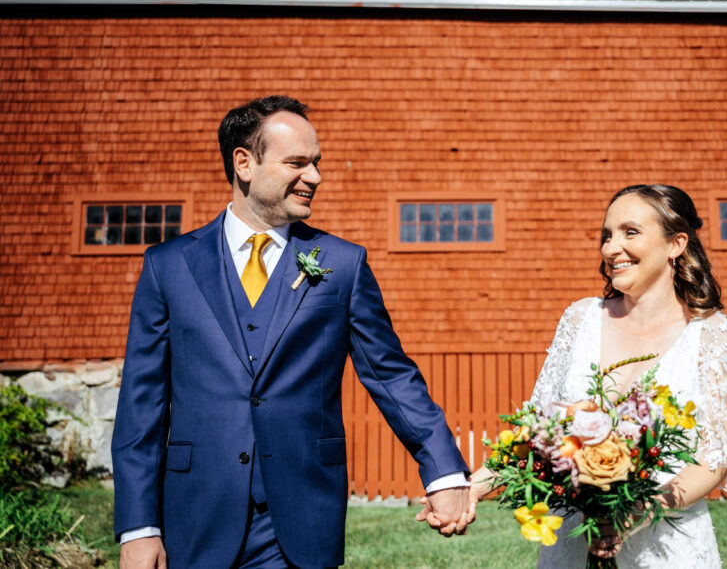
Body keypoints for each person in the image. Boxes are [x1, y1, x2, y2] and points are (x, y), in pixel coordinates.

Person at [112, 96, 473, 569]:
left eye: (317, 163)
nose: (316, 177)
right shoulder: (168, 266)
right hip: (194, 519)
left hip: (300, 522)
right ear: (244, 162)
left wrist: (443, 471)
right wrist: (138, 527)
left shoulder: (342, 264)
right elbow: (142, 405)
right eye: (297, 163)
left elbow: (391, 376)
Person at [468, 184, 727, 568]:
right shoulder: (580, 319)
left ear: (676, 244)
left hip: (668, 546)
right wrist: (469, 488)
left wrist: (632, 514)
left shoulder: (714, 336)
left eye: (629, 232)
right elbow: (539, 432)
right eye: (607, 235)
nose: (610, 248)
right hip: (573, 543)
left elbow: (712, 460)